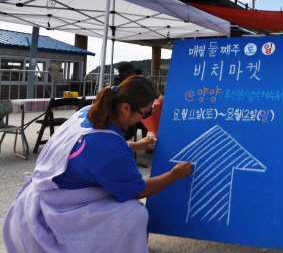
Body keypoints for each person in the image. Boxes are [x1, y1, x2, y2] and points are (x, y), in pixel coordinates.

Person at [3, 76, 192, 253]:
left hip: (30, 206)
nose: (142, 120)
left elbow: (95, 149)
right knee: (134, 214)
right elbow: (136, 190)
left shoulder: (87, 112)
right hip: (49, 220)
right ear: (125, 107)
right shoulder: (106, 146)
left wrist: (136, 145)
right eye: (144, 113)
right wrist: (173, 175)